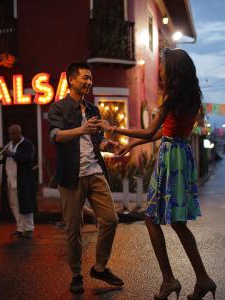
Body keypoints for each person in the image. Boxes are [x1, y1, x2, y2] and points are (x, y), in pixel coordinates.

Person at [98, 48, 216, 300]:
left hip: (170, 159)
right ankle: (201, 278)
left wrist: (115, 129)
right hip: (182, 156)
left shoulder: (172, 98)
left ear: (173, 69)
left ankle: (170, 280)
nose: (160, 69)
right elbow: (164, 132)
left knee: (153, 219)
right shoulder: (192, 96)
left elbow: (149, 130)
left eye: (162, 65)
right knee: (176, 222)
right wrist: (131, 145)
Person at [48, 61, 123, 293]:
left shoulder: (93, 110)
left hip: (95, 172)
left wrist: (106, 144)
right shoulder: (58, 108)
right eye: (85, 78)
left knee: (111, 219)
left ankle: (100, 267)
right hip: (71, 177)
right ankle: (76, 273)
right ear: (71, 80)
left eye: (91, 78)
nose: (89, 82)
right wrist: (81, 130)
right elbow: (56, 136)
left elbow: (96, 140)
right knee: (73, 228)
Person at [0, 124, 37, 239]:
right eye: (10, 134)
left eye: (14, 133)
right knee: (14, 205)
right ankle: (20, 229)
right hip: (10, 180)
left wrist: (12, 154)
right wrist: (0, 154)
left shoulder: (27, 144)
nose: (11, 136)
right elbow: (1, 160)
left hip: (23, 179)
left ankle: (29, 229)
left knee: (26, 204)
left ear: (19, 133)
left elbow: (27, 158)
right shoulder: (9, 145)